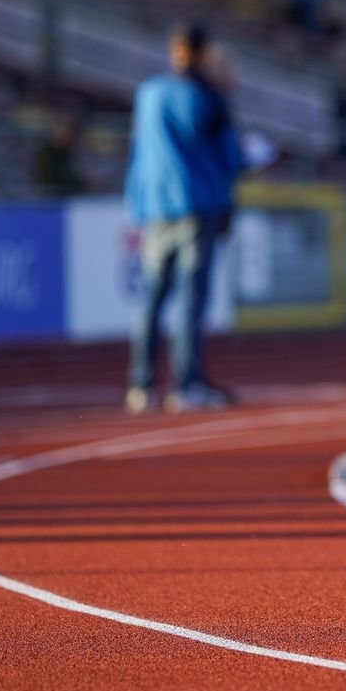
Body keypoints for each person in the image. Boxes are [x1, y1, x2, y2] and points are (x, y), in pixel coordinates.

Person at [124, 22, 244, 414]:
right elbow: (231, 158)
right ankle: (186, 385)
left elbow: (139, 151)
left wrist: (138, 205)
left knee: (152, 298)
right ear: (203, 52)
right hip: (197, 206)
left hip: (155, 208)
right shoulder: (207, 97)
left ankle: (141, 386)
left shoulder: (148, 93)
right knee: (192, 300)